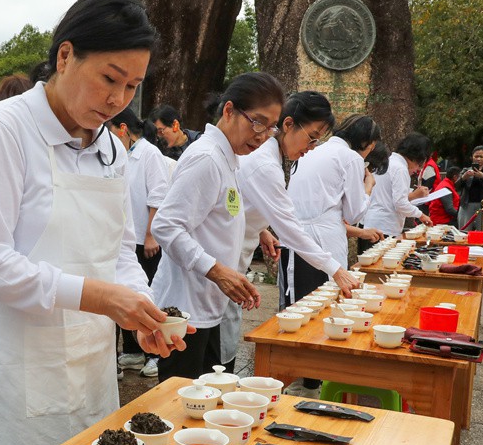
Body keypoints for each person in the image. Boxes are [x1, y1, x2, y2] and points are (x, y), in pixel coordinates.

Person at [0, 0, 189, 445]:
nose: (117, 99)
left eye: (132, 86)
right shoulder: (6, 129)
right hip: (20, 360)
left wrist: (144, 310)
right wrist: (102, 297)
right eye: (109, 78)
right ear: (65, 56)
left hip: (89, 358)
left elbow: (118, 251)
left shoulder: (111, 147)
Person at [150, 72, 285, 382]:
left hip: (207, 304)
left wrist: (259, 230)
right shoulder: (208, 158)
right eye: (257, 122)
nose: (263, 135)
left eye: (271, 127)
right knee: (181, 402)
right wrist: (218, 271)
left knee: (205, 401)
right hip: (184, 309)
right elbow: (167, 226)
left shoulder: (229, 157)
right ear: (229, 111)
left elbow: (217, 210)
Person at [236, 91, 360, 309]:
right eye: (311, 137)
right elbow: (290, 229)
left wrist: (260, 230)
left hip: (235, 259)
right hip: (224, 263)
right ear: (288, 124)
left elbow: (245, 201)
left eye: (317, 141)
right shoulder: (266, 165)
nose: (311, 147)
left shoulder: (273, 157)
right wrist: (336, 270)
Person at [286, 113, 383, 288]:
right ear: (368, 143)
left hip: (293, 237)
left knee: (297, 302)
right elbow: (354, 214)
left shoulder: (311, 151)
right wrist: (368, 187)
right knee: (325, 300)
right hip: (324, 241)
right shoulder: (351, 157)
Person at [105, 107, 169, 377]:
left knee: (144, 293)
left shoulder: (149, 153)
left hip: (145, 240)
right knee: (123, 294)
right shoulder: (119, 155)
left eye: (110, 132)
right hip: (126, 238)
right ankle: (131, 352)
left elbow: (158, 194)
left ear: (123, 129)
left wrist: (150, 235)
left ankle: (153, 354)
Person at [363, 133, 435, 236]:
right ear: (419, 157)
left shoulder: (390, 161)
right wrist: (421, 215)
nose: (417, 169)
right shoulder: (400, 168)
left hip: (374, 222)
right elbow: (400, 203)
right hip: (384, 226)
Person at [456, 144, 483, 230]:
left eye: (481, 156)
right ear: (472, 157)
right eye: (476, 156)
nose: (478, 159)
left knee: (481, 232)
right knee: (464, 231)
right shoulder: (466, 170)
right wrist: (464, 177)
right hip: (466, 204)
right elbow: (456, 186)